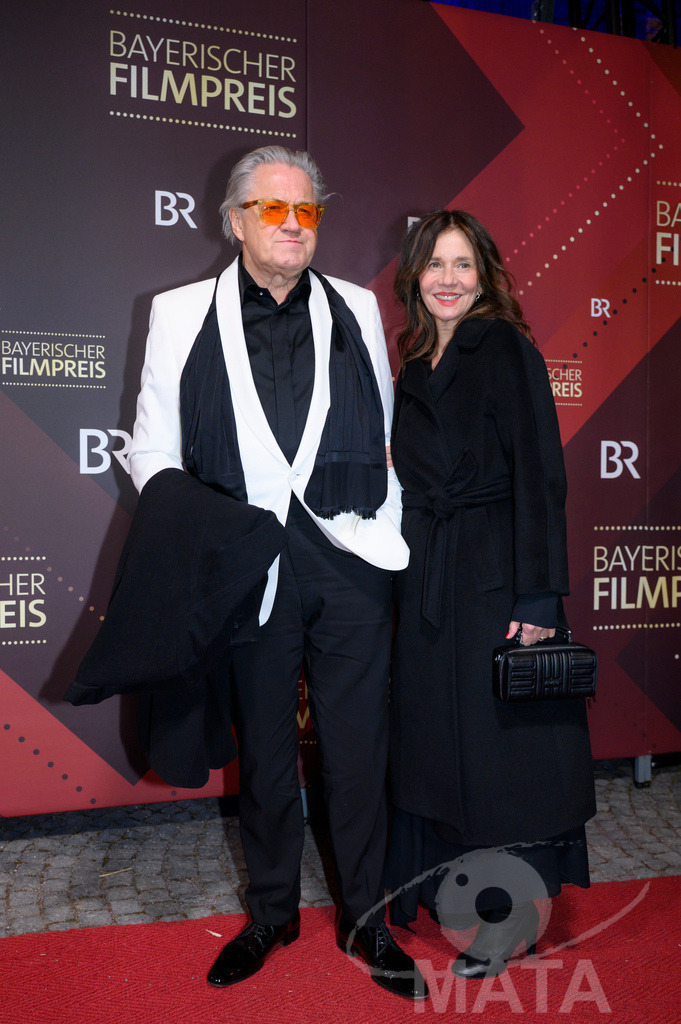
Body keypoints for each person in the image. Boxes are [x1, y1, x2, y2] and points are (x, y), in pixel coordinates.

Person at [128, 146, 427, 1000]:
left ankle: (366, 919)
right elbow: (151, 450)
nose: (293, 225)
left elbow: (383, 437)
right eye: (273, 209)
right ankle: (270, 913)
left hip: (349, 562)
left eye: (307, 211)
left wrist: (383, 529)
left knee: (358, 749)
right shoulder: (180, 312)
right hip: (247, 566)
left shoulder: (357, 306)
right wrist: (211, 537)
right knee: (262, 750)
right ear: (234, 220)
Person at [385, 210, 596, 979]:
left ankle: (509, 920)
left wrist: (539, 596)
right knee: (437, 750)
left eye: (462, 265)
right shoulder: (413, 364)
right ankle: (442, 891)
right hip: (426, 582)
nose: (447, 279)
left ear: (485, 276)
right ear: (413, 276)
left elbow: (541, 475)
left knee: (506, 760)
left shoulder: (505, 347)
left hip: (496, 580)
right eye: (434, 264)